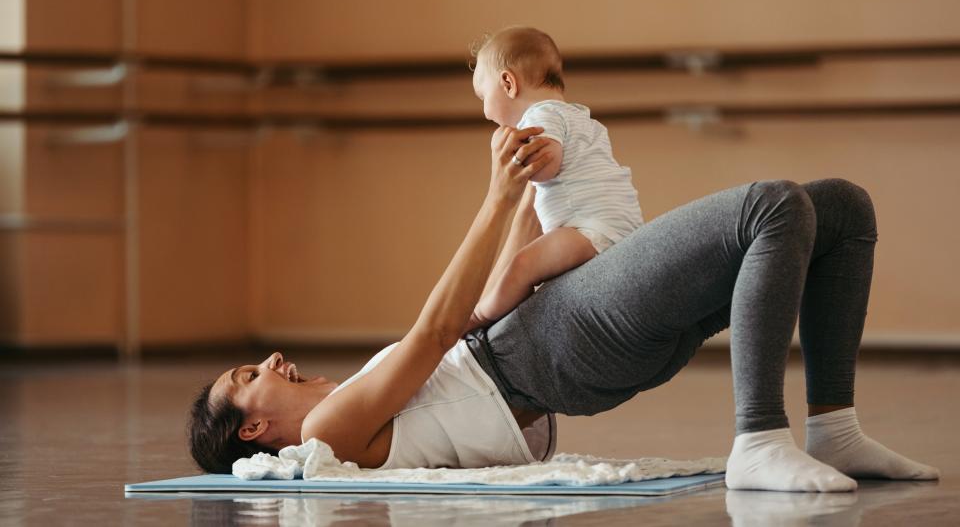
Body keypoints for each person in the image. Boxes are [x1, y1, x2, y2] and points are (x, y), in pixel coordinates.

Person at [188, 79, 941, 497]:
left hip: (559, 344)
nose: (272, 359)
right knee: (770, 205)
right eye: (248, 378)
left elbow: (482, 308)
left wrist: (527, 190)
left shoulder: (353, 405)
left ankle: (833, 428)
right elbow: (437, 333)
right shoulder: (325, 438)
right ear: (252, 431)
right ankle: (759, 438)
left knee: (839, 206)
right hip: (559, 344)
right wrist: (493, 195)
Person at [465, 26, 645, 331]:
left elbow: (546, 164)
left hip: (590, 230)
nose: (485, 112)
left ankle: (480, 317)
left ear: (508, 83)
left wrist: (508, 161)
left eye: (483, 96)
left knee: (522, 265)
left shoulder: (540, 117)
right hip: (617, 227)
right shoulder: (577, 116)